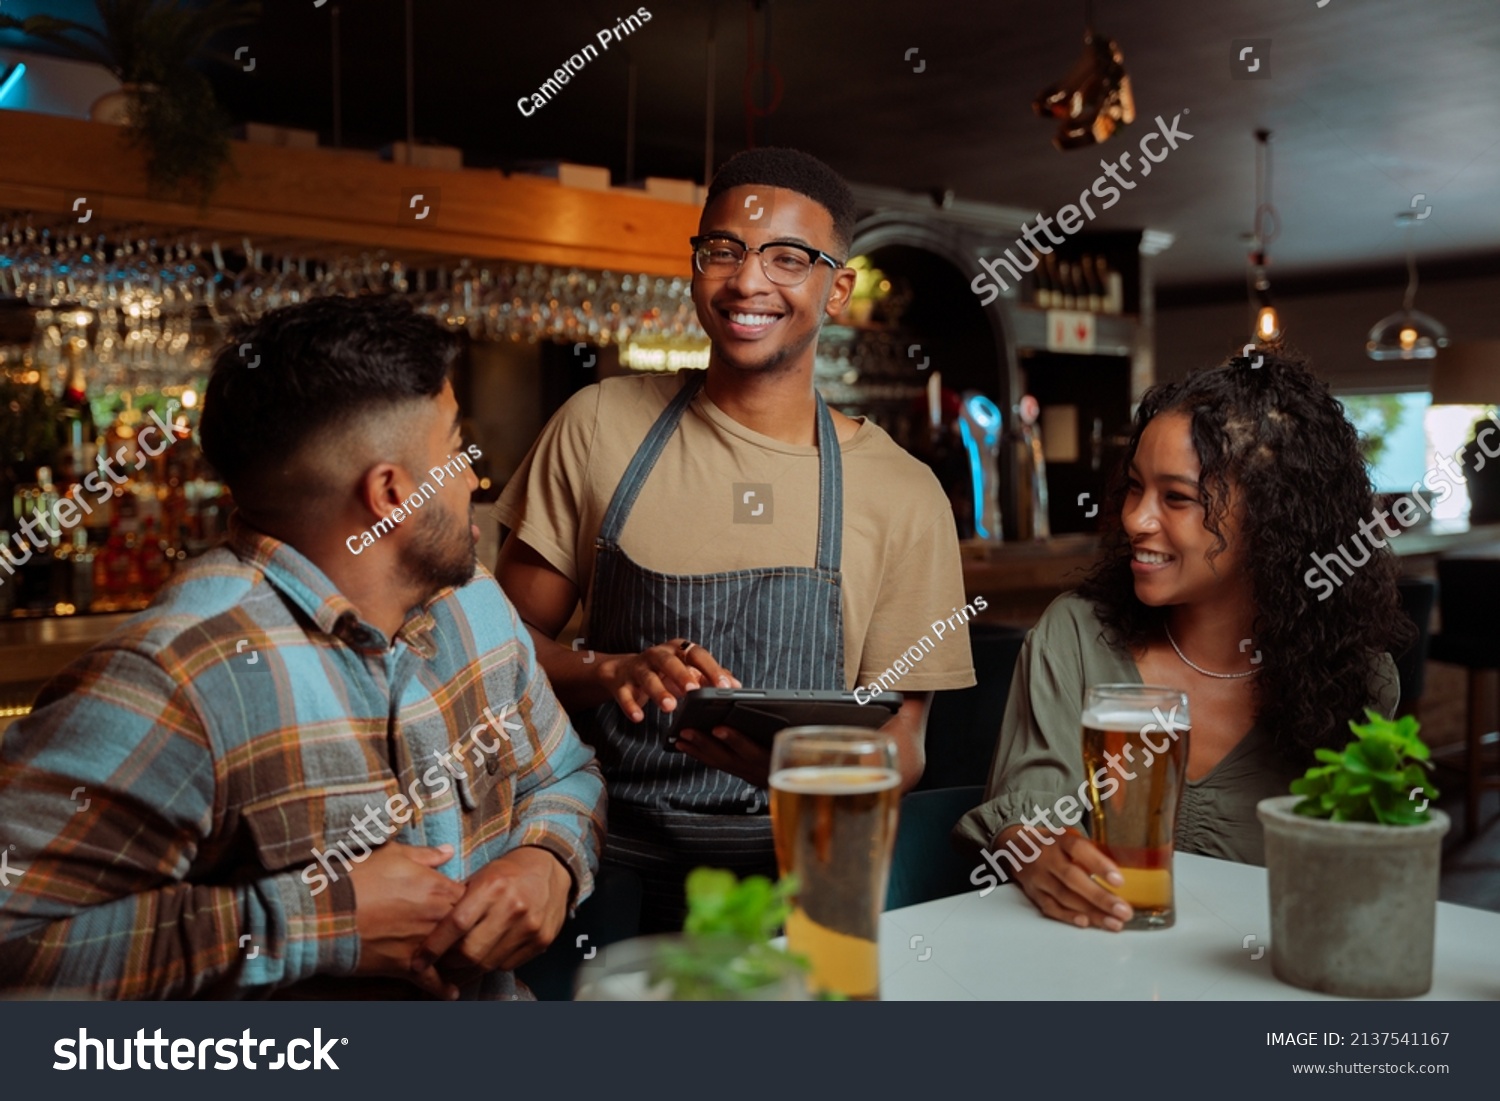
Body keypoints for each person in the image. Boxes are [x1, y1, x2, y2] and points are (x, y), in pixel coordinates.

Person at [0, 297, 605, 998]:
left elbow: (567, 773)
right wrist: (313, 920)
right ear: (391, 492)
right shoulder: (179, 676)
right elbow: (17, 945)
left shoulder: (475, 602)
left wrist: (546, 859)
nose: (473, 476)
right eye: (454, 448)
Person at [496, 147, 976, 930]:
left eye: (789, 258)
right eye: (723, 249)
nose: (748, 281)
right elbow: (498, 654)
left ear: (839, 288)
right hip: (604, 870)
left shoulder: (904, 493)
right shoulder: (597, 427)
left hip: (800, 884)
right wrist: (612, 667)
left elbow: (906, 743)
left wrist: (807, 765)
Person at [955, 349, 1411, 931]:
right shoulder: (1075, 634)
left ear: (1275, 518)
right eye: (1135, 488)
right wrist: (1032, 848)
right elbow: (1030, 808)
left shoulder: (1358, 681)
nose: (1135, 520)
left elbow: (1357, 895)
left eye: (1176, 498)